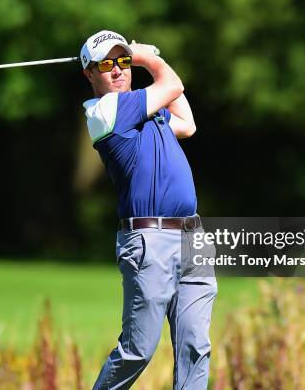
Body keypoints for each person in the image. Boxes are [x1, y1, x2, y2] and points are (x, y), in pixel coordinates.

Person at [80, 30, 217, 389]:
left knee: (195, 347)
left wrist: (146, 60)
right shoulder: (106, 111)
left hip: (192, 237)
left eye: (123, 61)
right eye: (106, 64)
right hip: (149, 240)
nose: (117, 70)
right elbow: (172, 85)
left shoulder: (147, 112)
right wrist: (147, 58)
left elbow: (187, 124)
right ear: (89, 74)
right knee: (138, 349)